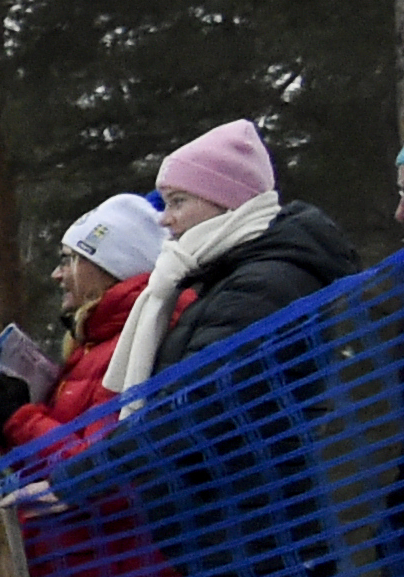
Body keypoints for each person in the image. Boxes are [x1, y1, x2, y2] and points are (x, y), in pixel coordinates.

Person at [110, 117, 360, 390]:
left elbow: (199, 401)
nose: (164, 219)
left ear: (229, 202)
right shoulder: (226, 273)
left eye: (178, 202)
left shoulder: (260, 284)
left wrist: (123, 435)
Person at [0, 194, 166, 450]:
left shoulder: (128, 345)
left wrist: (15, 419)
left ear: (108, 266)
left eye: (68, 260)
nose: (56, 274)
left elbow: (98, 467)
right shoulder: (96, 340)